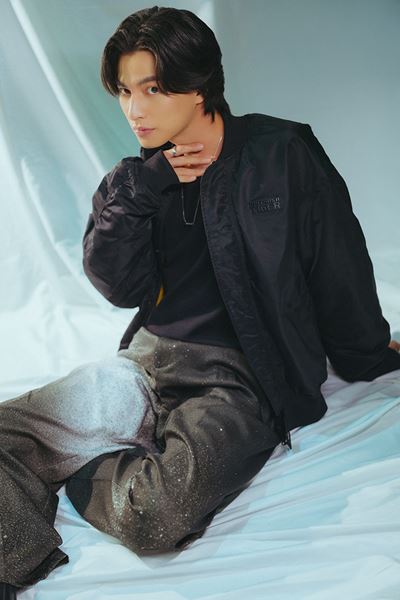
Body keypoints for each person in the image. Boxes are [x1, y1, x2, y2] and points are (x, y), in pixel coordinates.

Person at [1, 6, 400, 599]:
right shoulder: (133, 180)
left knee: (155, 519)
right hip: (145, 364)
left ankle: (81, 459)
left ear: (199, 85)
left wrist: (365, 353)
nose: (134, 110)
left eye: (153, 89)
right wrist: (144, 190)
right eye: (125, 91)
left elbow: (337, 263)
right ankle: (18, 557)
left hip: (239, 377)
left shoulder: (281, 152)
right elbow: (118, 288)